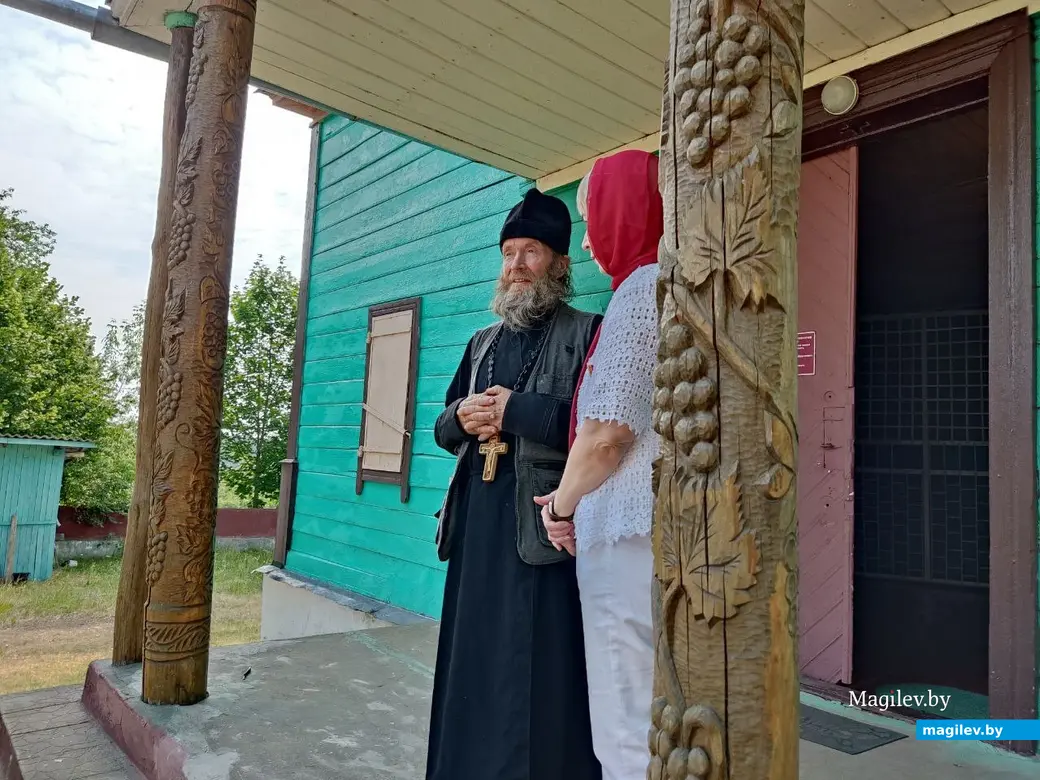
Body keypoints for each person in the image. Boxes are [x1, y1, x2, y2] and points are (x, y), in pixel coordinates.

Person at [426, 187, 603, 780]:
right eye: (508, 253)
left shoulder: (588, 333)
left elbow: (602, 429)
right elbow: (442, 426)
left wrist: (517, 412)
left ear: (558, 263)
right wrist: (462, 418)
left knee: (540, 674)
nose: (517, 265)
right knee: (474, 663)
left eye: (530, 251)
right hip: (478, 531)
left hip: (545, 533)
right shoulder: (482, 342)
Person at [536, 150, 663, 780]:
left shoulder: (642, 289)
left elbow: (608, 434)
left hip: (627, 530)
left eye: (594, 219)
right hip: (655, 528)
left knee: (624, 710)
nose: (587, 241)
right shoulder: (673, 284)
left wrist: (560, 505)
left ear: (627, 212)